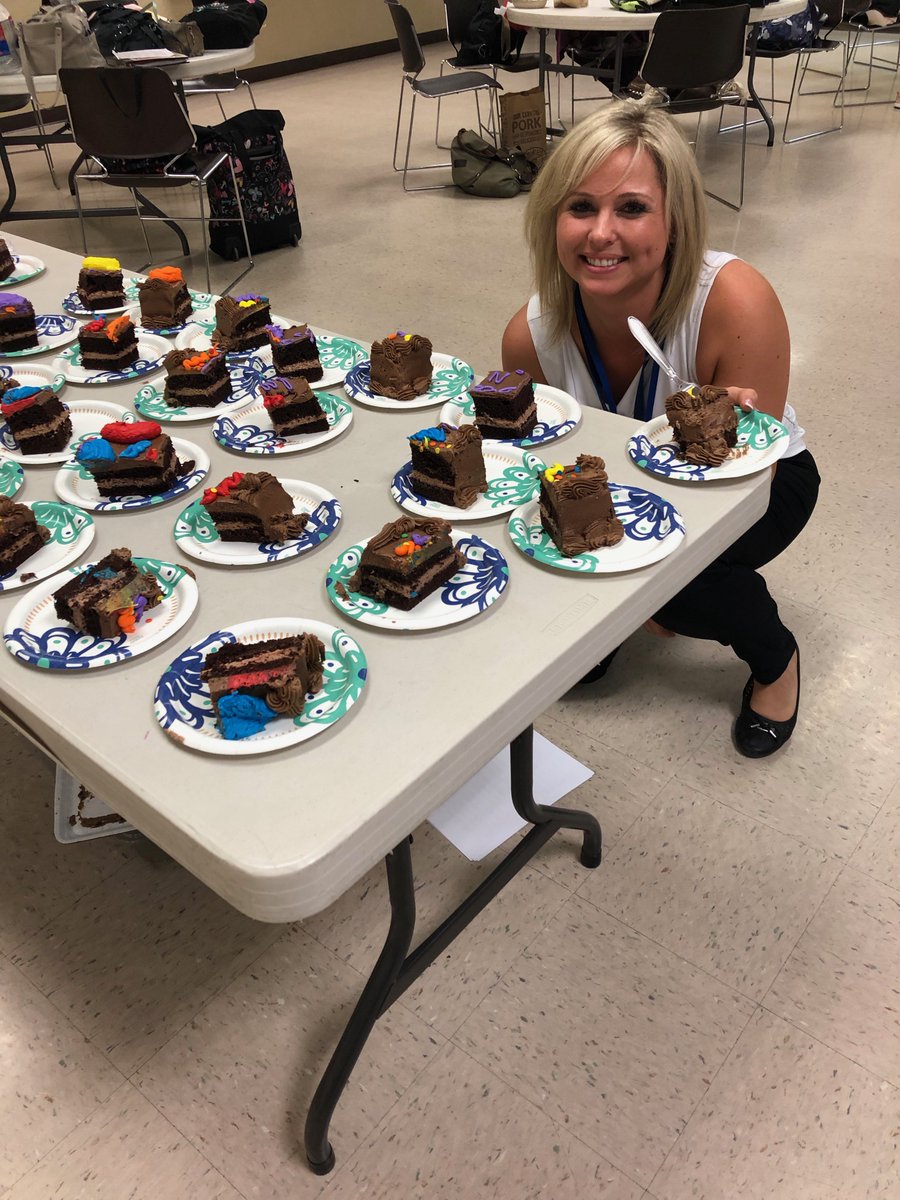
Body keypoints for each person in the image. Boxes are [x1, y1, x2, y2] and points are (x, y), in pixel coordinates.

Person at [502, 98, 820, 758]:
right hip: (616, 483)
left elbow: (742, 485)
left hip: (757, 482)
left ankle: (775, 658)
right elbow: (552, 467)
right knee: (541, 536)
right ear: (550, 217)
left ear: (675, 221)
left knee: (683, 584)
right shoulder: (530, 336)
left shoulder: (734, 301)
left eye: (632, 208)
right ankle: (613, 620)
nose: (600, 233)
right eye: (580, 207)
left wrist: (643, 590)